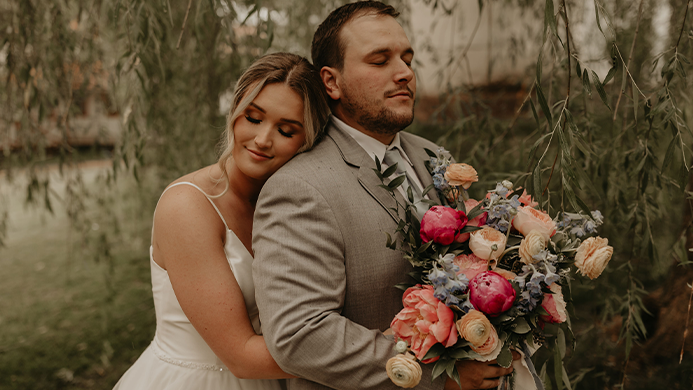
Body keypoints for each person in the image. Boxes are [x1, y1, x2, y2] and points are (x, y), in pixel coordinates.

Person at [253, 2, 518, 390]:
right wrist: (438, 374)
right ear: (332, 82)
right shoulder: (299, 188)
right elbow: (300, 334)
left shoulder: (432, 156)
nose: (404, 72)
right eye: (380, 61)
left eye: (406, 58)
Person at [113, 52, 330, 390]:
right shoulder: (187, 206)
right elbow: (241, 357)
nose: (262, 139)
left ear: (308, 141)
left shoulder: (293, 208)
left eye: (286, 130)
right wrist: (370, 356)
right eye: (253, 118)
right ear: (234, 114)